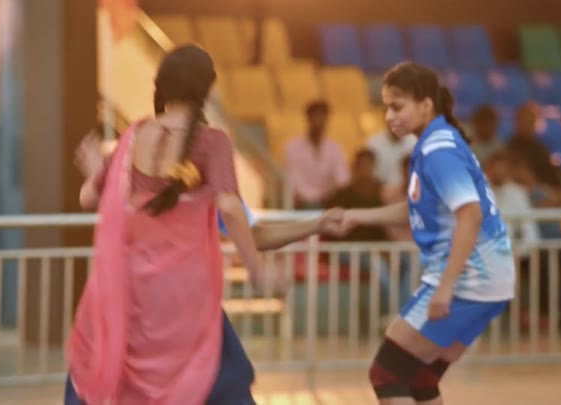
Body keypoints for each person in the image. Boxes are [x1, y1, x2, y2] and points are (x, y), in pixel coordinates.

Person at [66, 45, 341, 405]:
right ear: (207, 90)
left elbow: (89, 198)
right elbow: (232, 210)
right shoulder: (212, 143)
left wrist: (96, 171)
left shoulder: (132, 139)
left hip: (130, 296)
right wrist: (259, 274)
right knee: (221, 385)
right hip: (183, 300)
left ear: (161, 86)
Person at [333, 62, 515, 405]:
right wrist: (358, 216)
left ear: (426, 104)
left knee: (387, 373)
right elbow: (419, 207)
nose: (389, 116)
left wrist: (446, 287)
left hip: (470, 281)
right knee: (421, 378)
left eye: (397, 106)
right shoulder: (434, 144)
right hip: (488, 280)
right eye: (386, 107)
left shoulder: (438, 152)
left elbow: (470, 214)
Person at [285, 100, 350, 209]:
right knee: (312, 205)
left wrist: (332, 193)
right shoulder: (292, 147)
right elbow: (295, 180)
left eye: (323, 117)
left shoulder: (335, 148)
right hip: (304, 202)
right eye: (316, 117)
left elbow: (342, 178)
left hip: (329, 200)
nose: (319, 121)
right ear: (308, 119)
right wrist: (315, 198)